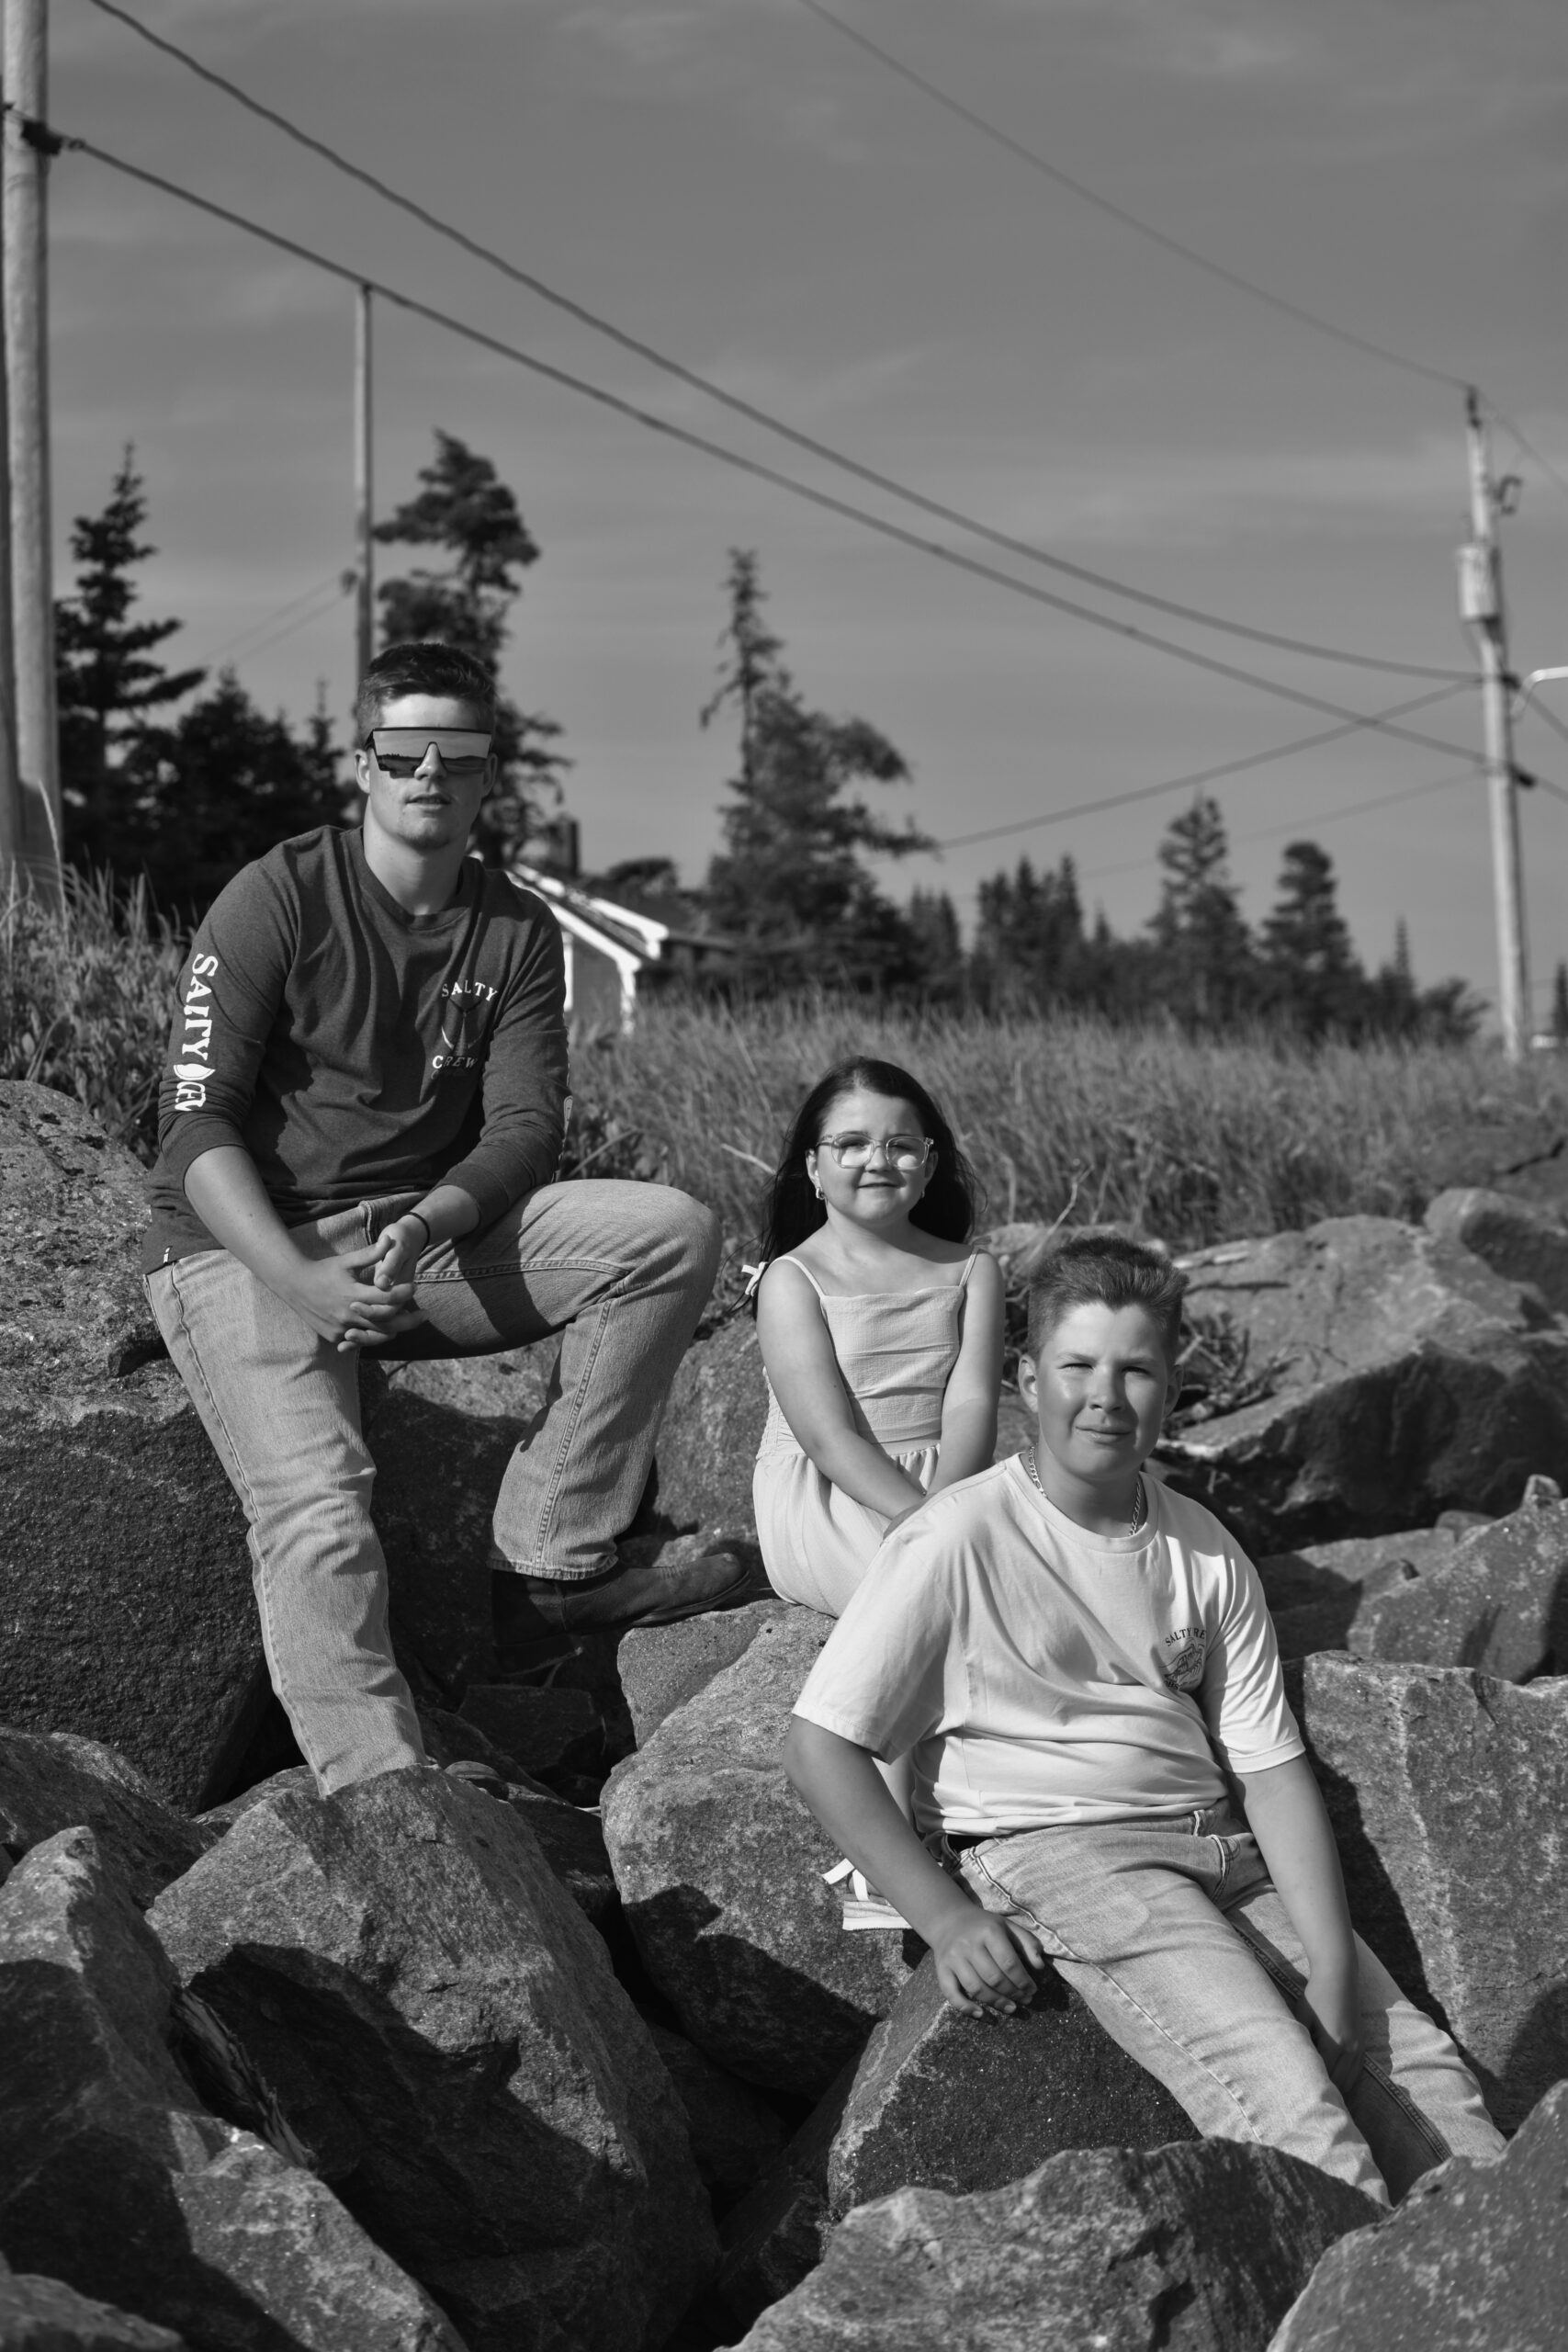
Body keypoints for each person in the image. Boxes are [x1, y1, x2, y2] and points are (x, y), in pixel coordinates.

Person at [142, 639, 750, 1799]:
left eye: (457, 754)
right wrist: (301, 1280)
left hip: (413, 1239)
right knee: (321, 1508)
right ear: (363, 764)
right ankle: (386, 1795)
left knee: (667, 1233)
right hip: (242, 1244)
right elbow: (193, 1128)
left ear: (487, 776)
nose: (430, 772)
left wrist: (427, 1224)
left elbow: (523, 1128)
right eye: (405, 751)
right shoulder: (276, 895)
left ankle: (552, 1563)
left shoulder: (515, 930)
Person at [784, 1233, 1505, 2203]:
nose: (1105, 1396)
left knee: (1421, 2072)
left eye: (1136, 1371)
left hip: (1223, 1848)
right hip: (1065, 1849)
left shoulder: (1202, 1545)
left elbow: (1269, 1768)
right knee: (1284, 2097)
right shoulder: (953, 1535)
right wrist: (943, 1916)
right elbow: (820, 1744)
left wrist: (1332, 1959)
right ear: (1027, 1380)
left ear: (1170, 1391)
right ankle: (1351, 2282)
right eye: (1077, 1366)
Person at [751, 1056, 1004, 1618]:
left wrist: (943, 1509)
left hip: (954, 1481)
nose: (878, 1161)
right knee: (938, 1602)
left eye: (901, 1146)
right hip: (834, 1491)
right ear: (814, 1167)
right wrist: (925, 1522)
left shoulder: (972, 1270)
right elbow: (826, 1438)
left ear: (929, 1165)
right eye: (852, 1144)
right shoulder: (793, 1279)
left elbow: (972, 1404)